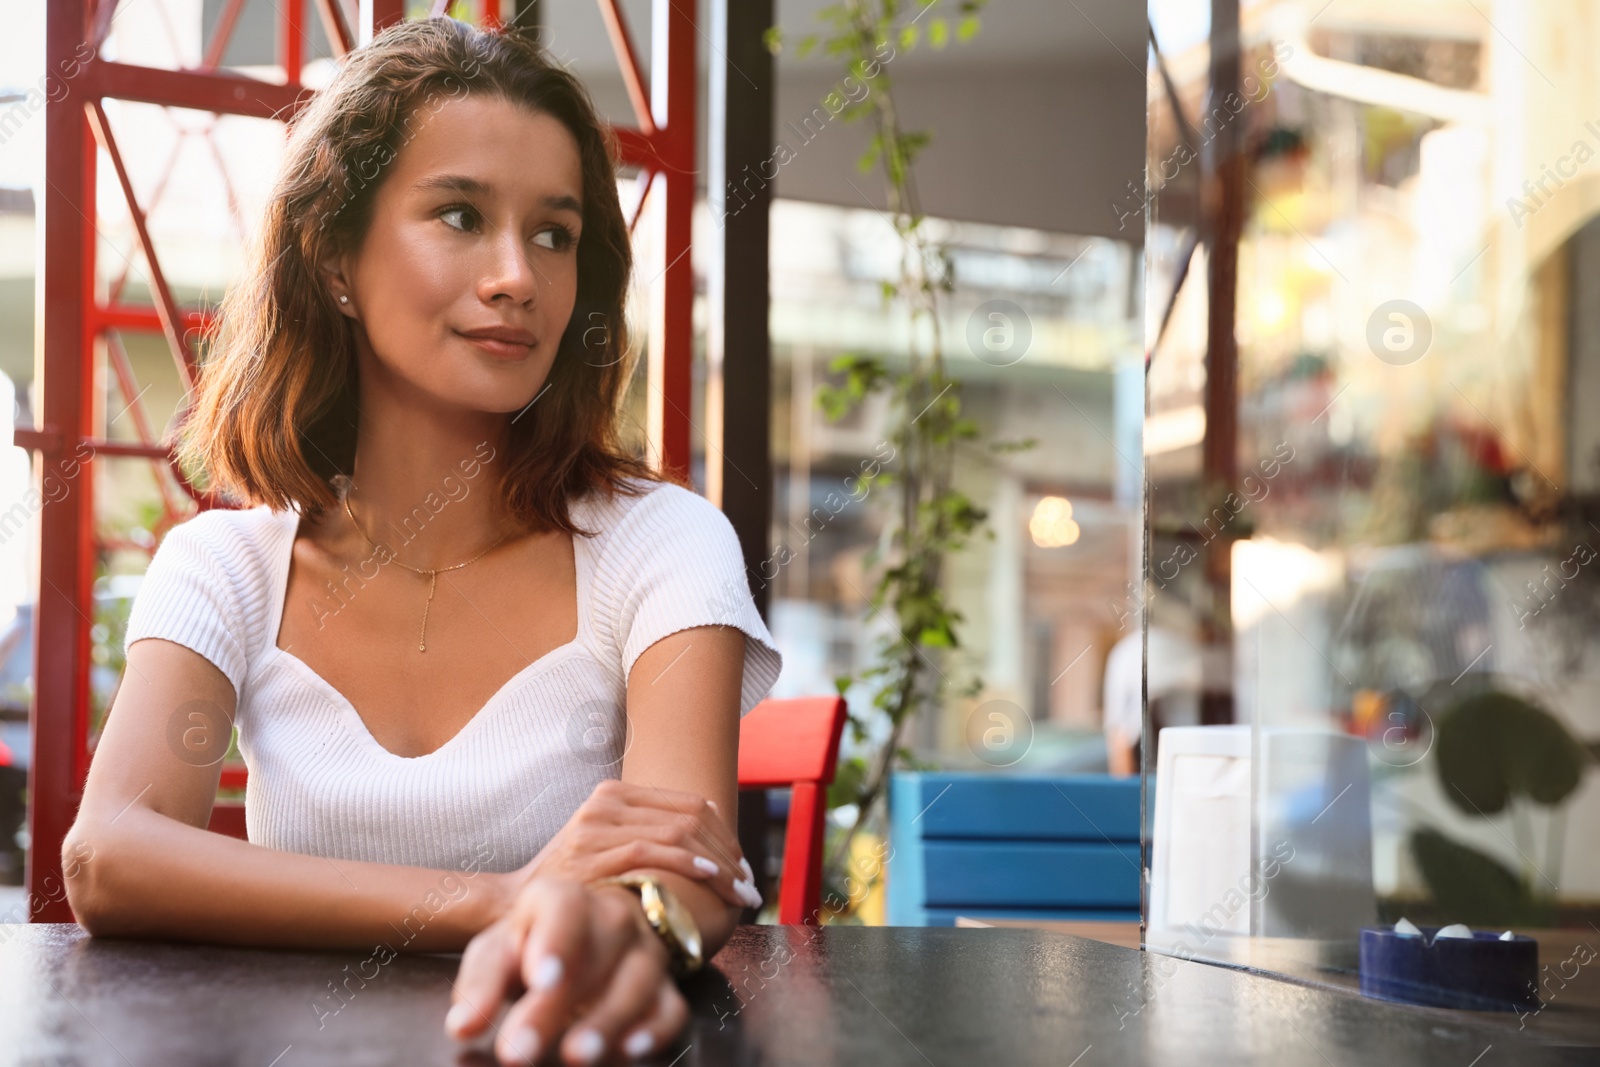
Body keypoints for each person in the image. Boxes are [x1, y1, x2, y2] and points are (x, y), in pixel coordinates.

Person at [59, 18, 782, 1067]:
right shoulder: (226, 566)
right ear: (335, 256)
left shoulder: (664, 543)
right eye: (459, 214)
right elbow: (109, 856)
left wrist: (619, 910)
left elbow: (677, 873)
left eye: (554, 233)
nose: (516, 277)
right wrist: (502, 897)